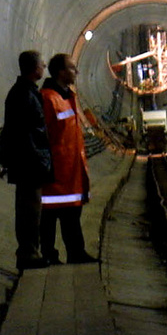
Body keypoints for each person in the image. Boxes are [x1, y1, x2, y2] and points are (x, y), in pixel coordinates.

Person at [39, 53, 97, 264]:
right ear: (61, 72)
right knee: (49, 217)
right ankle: (48, 255)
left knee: (72, 215)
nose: (76, 72)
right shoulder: (48, 98)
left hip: (70, 172)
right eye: (72, 68)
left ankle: (76, 253)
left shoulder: (66, 97)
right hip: (55, 172)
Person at [0, 50, 52, 270]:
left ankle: (31, 252)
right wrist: (38, 159)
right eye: (42, 64)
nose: (44, 67)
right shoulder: (24, 94)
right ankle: (28, 254)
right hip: (28, 162)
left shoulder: (25, 92)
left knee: (30, 209)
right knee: (29, 210)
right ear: (35, 68)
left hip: (28, 160)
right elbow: (24, 132)